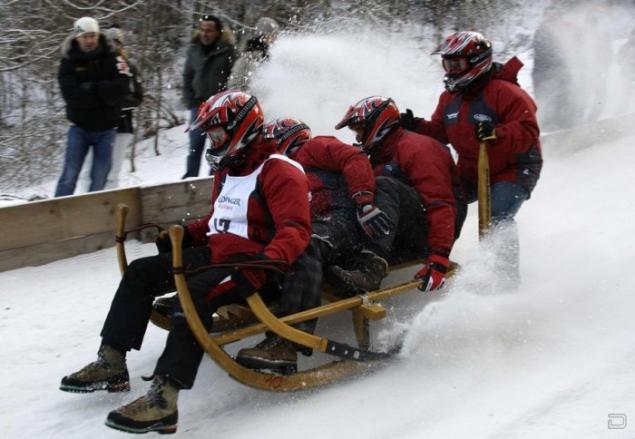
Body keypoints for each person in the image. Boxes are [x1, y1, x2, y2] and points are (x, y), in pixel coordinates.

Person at [59, 91, 312, 434]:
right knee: (140, 272)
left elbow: (295, 230)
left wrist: (266, 262)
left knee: (193, 296)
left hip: (255, 265)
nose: (213, 141)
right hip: (217, 255)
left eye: (217, 134)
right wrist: (186, 234)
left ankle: (164, 399)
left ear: (241, 128)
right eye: (210, 135)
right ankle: (111, 362)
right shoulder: (229, 170)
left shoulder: (280, 170)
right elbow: (220, 219)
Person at [234, 117, 392, 371]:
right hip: (315, 226)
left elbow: (353, 158)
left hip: (338, 220)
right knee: (274, 247)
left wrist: (364, 201)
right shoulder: (278, 171)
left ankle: (287, 342)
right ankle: (254, 304)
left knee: (301, 246)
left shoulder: (312, 148)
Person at [401, 31, 543, 286]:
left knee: (497, 217)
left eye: (457, 64)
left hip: (514, 167)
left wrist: (496, 134)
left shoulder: (505, 91)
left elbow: (528, 130)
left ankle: (506, 281)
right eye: (447, 64)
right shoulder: (450, 98)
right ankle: (433, 256)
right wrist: (416, 125)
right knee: (442, 201)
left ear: (477, 61)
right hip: (471, 167)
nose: (451, 70)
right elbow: (441, 131)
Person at [335, 96, 462, 293]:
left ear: (377, 124)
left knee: (382, 185)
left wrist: (439, 259)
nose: (358, 137)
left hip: (430, 234)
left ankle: (371, 270)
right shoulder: (379, 153)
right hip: (401, 233)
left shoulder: (417, 148)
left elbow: (441, 205)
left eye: (359, 130)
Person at [54, 17, 130, 197]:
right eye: (85, 36)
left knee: (100, 176)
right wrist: (104, 95)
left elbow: (122, 88)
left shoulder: (114, 56)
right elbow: (71, 95)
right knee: (70, 174)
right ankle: (57, 210)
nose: (89, 40)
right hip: (80, 127)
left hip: (107, 128)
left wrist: (93, 88)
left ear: (98, 36)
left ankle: (93, 214)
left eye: (92, 36)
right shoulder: (68, 61)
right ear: (77, 38)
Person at [182, 15, 235, 178]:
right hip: (198, 106)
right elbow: (187, 76)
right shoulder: (193, 50)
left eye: (209, 30)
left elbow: (234, 77)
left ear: (217, 32)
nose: (205, 33)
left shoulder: (227, 51)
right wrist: (190, 100)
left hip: (219, 108)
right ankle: (189, 182)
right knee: (194, 148)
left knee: (218, 149)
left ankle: (214, 180)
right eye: (203, 30)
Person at [103, 26, 143, 189]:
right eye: (109, 43)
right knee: (95, 171)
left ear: (121, 45)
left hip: (122, 126)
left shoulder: (130, 68)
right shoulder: (99, 67)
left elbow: (137, 97)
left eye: (116, 43)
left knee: (113, 173)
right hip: (101, 127)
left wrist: (117, 102)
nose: (112, 47)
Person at [228, 17, 280, 91]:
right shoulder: (248, 58)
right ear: (264, 35)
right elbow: (235, 86)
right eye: (273, 35)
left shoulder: (273, 56)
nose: (275, 39)